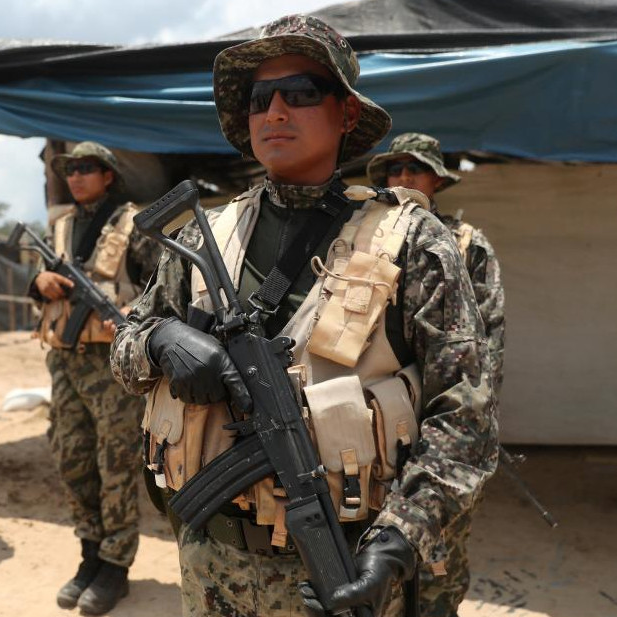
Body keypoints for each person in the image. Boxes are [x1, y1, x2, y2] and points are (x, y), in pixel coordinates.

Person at [110, 15, 498, 617]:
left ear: (346, 113)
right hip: (211, 563)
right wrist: (161, 340)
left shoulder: (412, 242)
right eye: (260, 98)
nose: (275, 112)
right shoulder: (202, 236)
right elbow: (124, 341)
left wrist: (396, 546)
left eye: (302, 93)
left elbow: (466, 419)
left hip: (344, 564)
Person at [367, 132, 506, 616]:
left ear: (437, 180)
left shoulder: (467, 246)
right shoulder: (368, 242)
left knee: (438, 562)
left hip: (442, 430)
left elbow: (487, 350)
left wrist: (468, 435)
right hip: (377, 427)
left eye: (414, 169)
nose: (403, 178)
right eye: (395, 169)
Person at [29, 141, 160, 614]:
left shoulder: (134, 224)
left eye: (87, 169)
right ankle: (89, 553)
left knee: (116, 465)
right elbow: (42, 283)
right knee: (71, 457)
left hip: (112, 369)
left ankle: (115, 566)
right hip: (65, 361)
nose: (76, 176)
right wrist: (39, 284)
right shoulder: (61, 226)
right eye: (71, 170)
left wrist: (131, 313)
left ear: (108, 176)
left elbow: (162, 290)